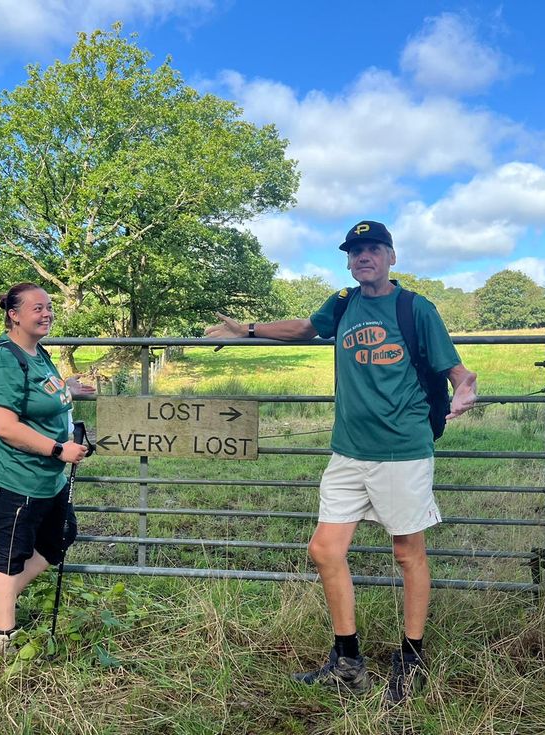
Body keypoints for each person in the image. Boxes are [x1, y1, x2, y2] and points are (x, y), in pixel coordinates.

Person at [205, 221, 477, 704]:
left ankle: (413, 660)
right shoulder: (343, 303)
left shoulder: (415, 308)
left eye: (372, 249)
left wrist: (465, 388)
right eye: (354, 252)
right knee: (325, 550)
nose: (362, 258)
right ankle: (348, 662)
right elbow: (305, 329)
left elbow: (456, 369)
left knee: (406, 551)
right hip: (347, 450)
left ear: (391, 256)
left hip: (401, 449)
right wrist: (244, 328)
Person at [0, 282, 95, 655]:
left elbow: (39, 392)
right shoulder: (3, 359)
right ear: (14, 314)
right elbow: (5, 426)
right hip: (11, 475)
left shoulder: (38, 354)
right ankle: (4, 638)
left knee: (60, 535)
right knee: (9, 553)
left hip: (46, 476)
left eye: (49, 307)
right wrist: (58, 449)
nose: (46, 313)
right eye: (37, 308)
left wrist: (66, 388)